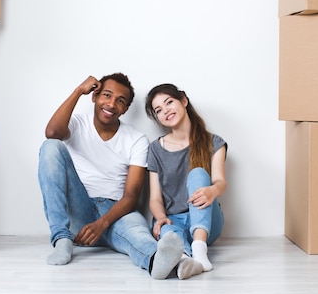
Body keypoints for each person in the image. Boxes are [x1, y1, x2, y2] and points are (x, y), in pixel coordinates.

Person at [37, 73, 184, 279]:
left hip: (117, 212)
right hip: (81, 211)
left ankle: (156, 261)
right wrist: (79, 90)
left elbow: (132, 196)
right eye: (107, 95)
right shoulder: (77, 123)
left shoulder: (136, 140)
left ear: (125, 109)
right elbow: (52, 132)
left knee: (137, 232)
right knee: (51, 146)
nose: (112, 104)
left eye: (120, 101)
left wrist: (103, 223)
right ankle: (62, 239)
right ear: (95, 97)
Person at [144, 83, 228, 279]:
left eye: (169, 102)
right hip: (174, 220)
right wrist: (160, 217)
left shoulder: (214, 142)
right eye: (159, 110)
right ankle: (184, 260)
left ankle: (199, 250)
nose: (166, 111)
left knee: (198, 173)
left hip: (206, 219)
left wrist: (212, 192)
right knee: (167, 230)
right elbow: (155, 198)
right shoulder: (155, 149)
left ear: (183, 100)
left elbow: (220, 181)